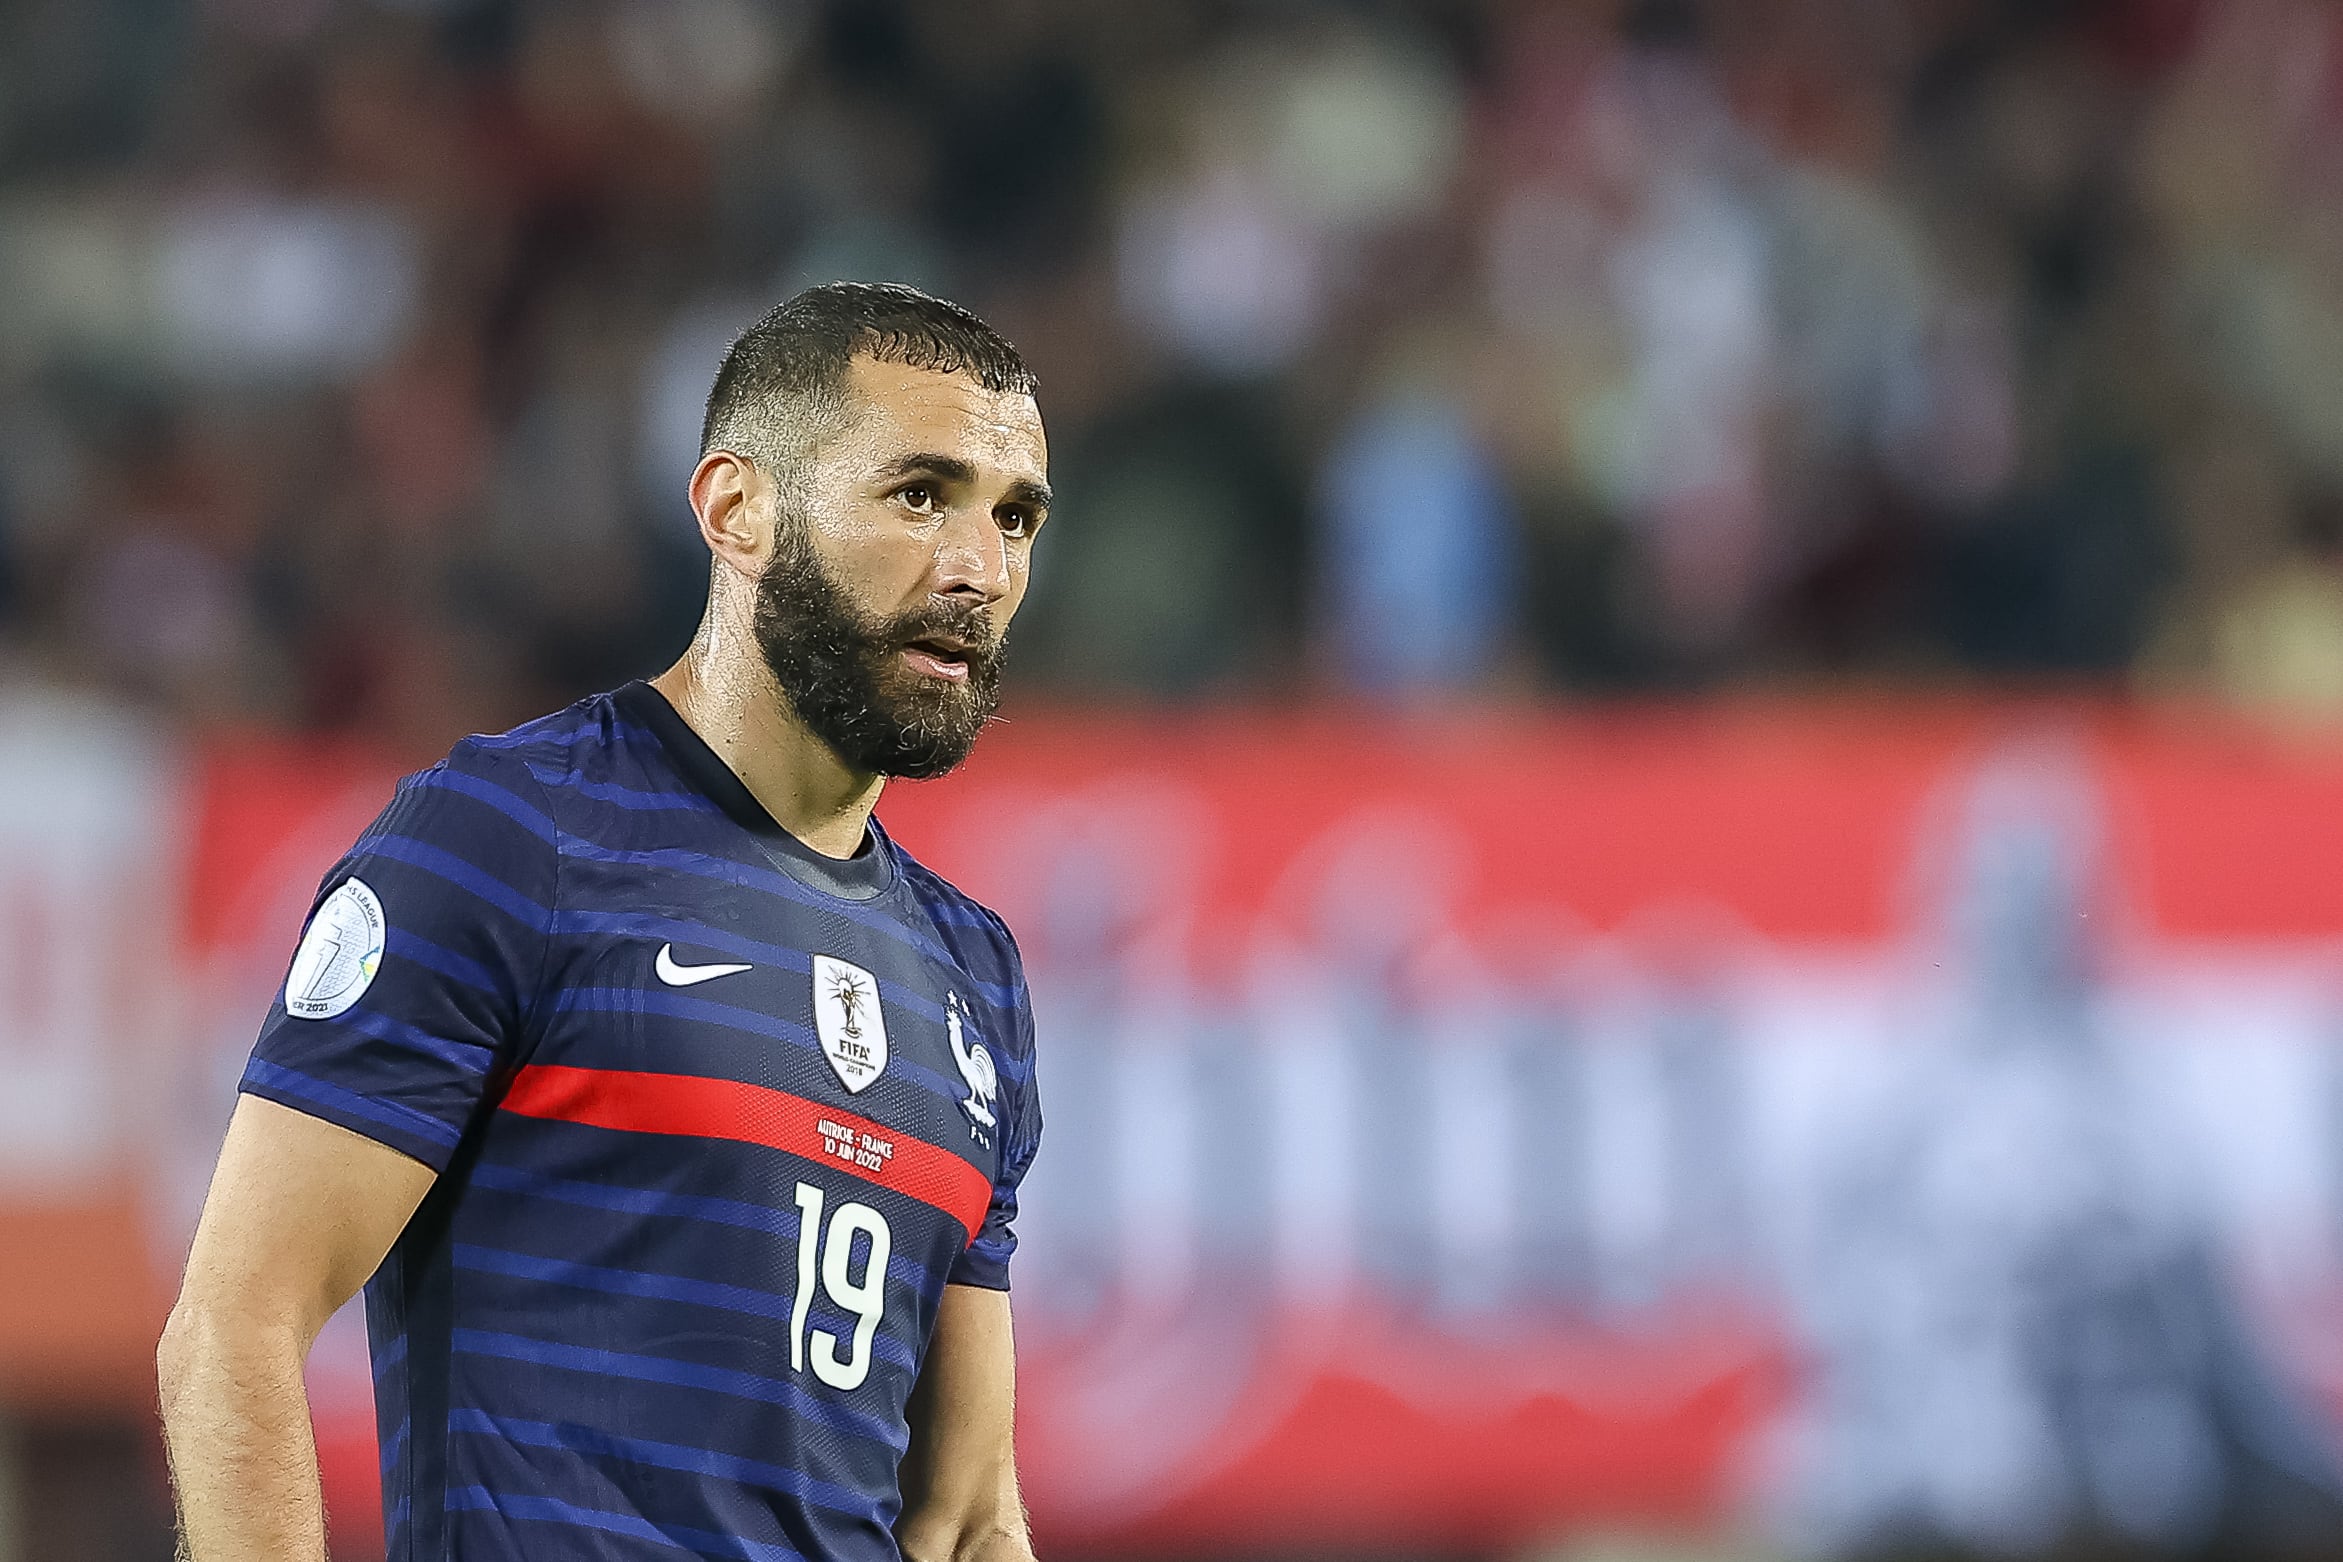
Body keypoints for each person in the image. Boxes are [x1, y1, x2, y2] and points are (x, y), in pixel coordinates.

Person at [157, 282, 1051, 1562]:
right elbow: (232, 1329)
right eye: (921, 494)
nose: (980, 568)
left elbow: (967, 1518)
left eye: (1014, 516)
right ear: (738, 510)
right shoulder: (508, 841)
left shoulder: (976, 977)